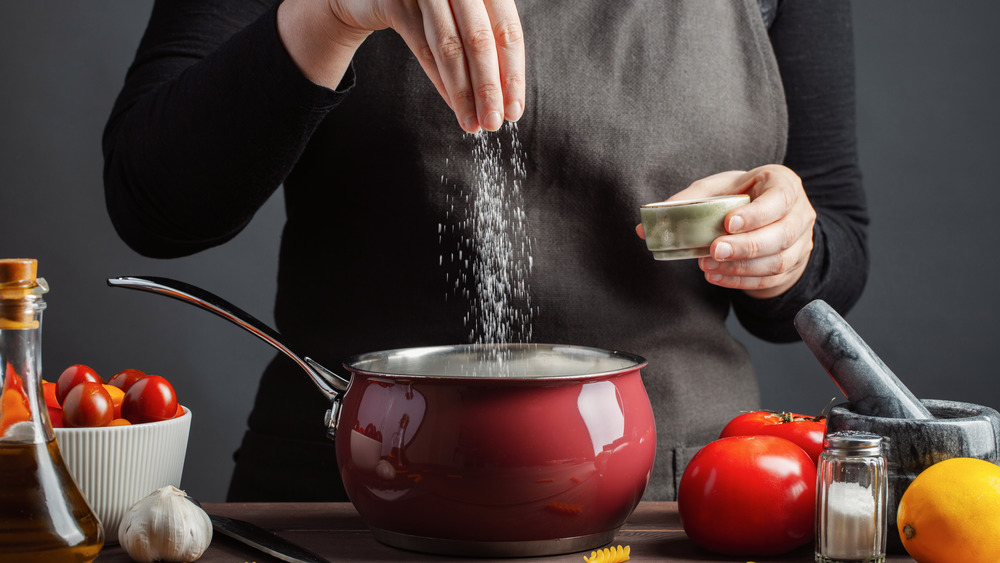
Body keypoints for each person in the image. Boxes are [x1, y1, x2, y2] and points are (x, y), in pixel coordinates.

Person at [103, 0, 868, 501]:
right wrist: (329, 16)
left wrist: (786, 247)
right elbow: (154, 205)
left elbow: (836, 246)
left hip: (675, 503)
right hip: (349, 494)